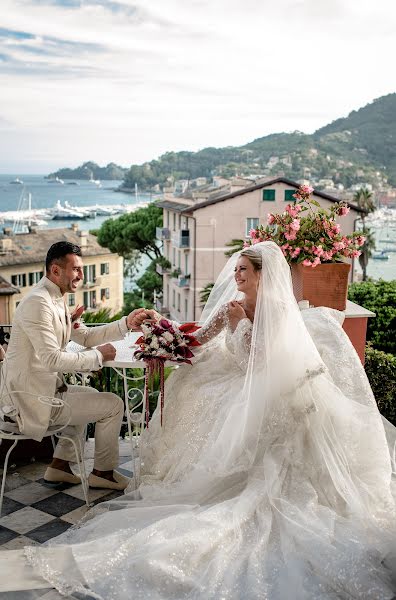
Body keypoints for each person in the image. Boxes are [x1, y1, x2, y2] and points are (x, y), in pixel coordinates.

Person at [1, 241, 396, 599]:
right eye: (237, 269)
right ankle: (82, 467)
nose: (236, 275)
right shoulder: (229, 307)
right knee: (176, 390)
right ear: (56, 271)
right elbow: (199, 339)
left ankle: (72, 465)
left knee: (199, 404)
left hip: (261, 386)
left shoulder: (278, 313)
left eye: (244, 270)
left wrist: (240, 323)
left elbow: (259, 362)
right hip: (37, 397)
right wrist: (166, 337)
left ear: (262, 275)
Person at [0, 241, 154, 491]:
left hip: (41, 392)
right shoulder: (38, 303)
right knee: (114, 406)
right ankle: (103, 473)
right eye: (76, 269)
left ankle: (59, 466)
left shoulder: (54, 297)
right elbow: (52, 359)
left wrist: (126, 323)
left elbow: (84, 337)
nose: (82, 276)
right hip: (29, 401)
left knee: (91, 395)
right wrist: (98, 357)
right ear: (55, 270)